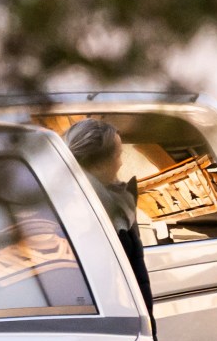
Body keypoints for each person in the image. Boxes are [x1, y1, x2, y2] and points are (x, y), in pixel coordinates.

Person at [65, 117, 154, 312]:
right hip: (117, 318)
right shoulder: (79, 213)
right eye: (118, 156)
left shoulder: (119, 201)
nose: (122, 163)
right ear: (98, 163)